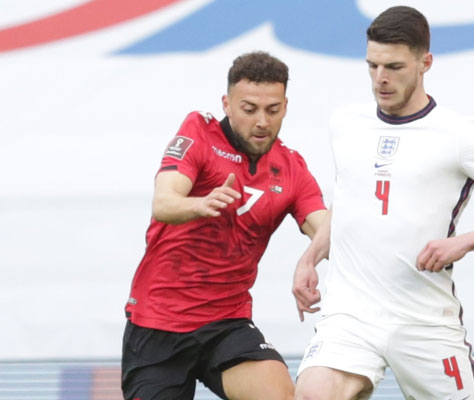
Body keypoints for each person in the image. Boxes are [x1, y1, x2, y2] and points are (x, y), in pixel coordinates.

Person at [292, 6, 474, 400]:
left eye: (393, 66)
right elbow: (350, 205)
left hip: (423, 320)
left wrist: (462, 242)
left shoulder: (459, 133)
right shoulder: (345, 123)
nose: (381, 79)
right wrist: (310, 257)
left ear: (425, 62)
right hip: (351, 314)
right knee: (313, 394)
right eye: (372, 66)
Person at [122, 51, 327, 400]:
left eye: (272, 110)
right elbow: (164, 202)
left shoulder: (291, 168)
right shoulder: (199, 132)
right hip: (159, 322)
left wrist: (309, 259)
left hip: (227, 323)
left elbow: (327, 230)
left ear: (285, 106)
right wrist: (199, 204)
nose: (262, 121)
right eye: (249, 109)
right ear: (227, 104)